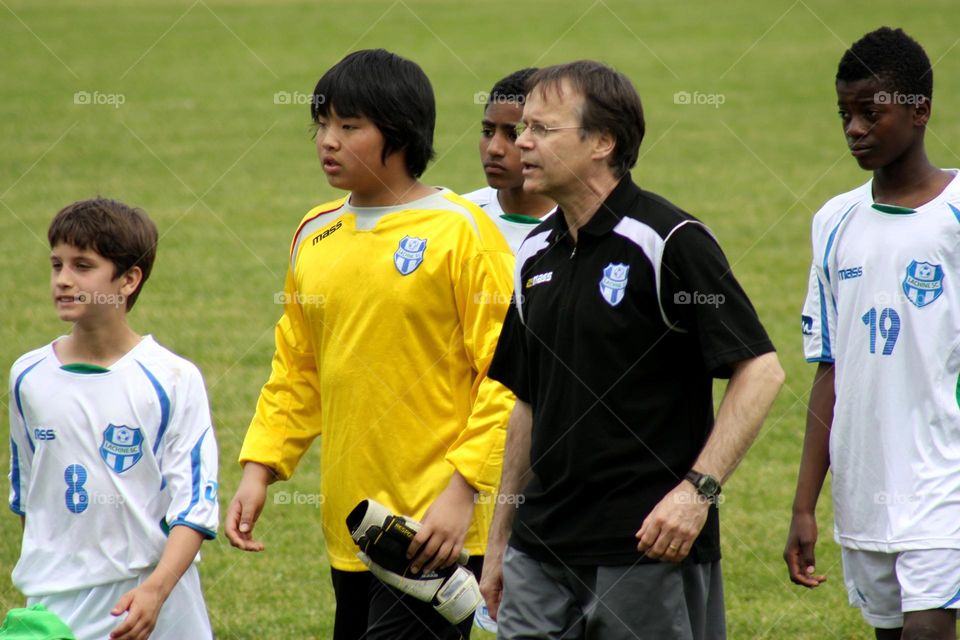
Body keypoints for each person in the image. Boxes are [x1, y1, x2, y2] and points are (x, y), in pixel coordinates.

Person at [479, 60, 784, 639]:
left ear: (603, 142)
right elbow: (526, 402)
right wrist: (498, 543)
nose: (521, 143)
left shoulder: (669, 241)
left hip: (646, 549)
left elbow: (761, 370)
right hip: (539, 548)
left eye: (542, 130)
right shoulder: (534, 254)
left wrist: (697, 494)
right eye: (524, 129)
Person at [224, 49, 515, 640]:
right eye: (322, 125)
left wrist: (461, 493)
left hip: (434, 528)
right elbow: (297, 366)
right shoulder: (314, 232)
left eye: (349, 127)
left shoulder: (462, 233)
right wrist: (261, 468)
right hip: (353, 524)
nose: (327, 141)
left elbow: (508, 375)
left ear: (402, 134)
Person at [785, 27, 960, 640]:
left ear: (920, 112)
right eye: (845, 114)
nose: (854, 128)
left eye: (870, 112)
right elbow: (829, 368)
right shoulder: (835, 222)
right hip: (866, 488)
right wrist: (805, 503)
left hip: (945, 478)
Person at [7, 198, 219, 640]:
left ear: (128, 280)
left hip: (155, 598)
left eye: (83, 266)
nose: (63, 280)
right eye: (56, 264)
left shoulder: (172, 379)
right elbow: (29, 494)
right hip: (56, 602)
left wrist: (156, 591)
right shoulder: (28, 376)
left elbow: (195, 505)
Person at [463, 68, 556, 253]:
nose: (494, 149)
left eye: (513, 135)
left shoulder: (582, 225)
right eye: (488, 132)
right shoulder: (460, 217)